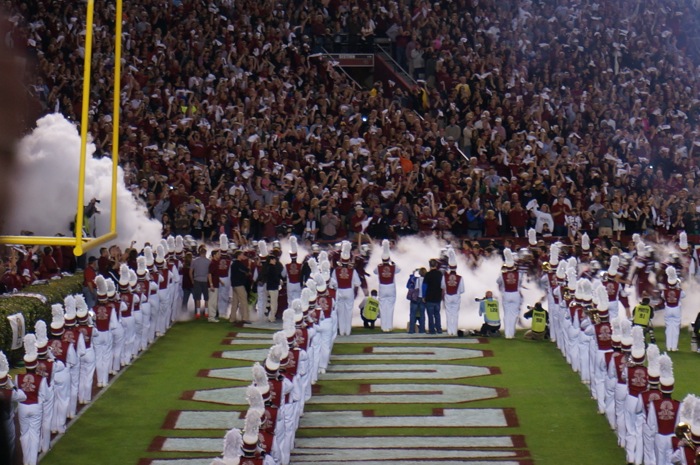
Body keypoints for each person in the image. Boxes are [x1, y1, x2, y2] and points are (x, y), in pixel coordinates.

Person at [374, 240, 400, 332]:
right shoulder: (393, 266)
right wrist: (391, 262)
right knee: (390, 307)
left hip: (382, 287)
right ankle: (389, 326)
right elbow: (399, 270)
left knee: (382, 307)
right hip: (391, 287)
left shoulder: (379, 267)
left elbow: (374, 272)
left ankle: (383, 326)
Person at [497, 248, 523, 339]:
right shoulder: (519, 274)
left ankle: (507, 333)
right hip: (515, 293)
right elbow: (520, 283)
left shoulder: (502, 275)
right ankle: (511, 333)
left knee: (507, 314)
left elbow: (498, 282)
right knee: (514, 314)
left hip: (506, 294)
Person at [660, 266, 684, 352]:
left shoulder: (665, 290)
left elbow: (662, 296)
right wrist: (679, 287)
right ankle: (674, 347)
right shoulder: (679, 290)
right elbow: (684, 296)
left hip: (668, 309)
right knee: (676, 328)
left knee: (668, 328)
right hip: (676, 308)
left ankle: (668, 346)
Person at [442, 249, 464, 336]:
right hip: (456, 296)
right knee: (455, 314)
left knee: (448, 313)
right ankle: (454, 331)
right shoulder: (460, 277)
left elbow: (443, 286)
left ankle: (449, 331)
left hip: (448, 295)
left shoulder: (445, 277)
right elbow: (462, 290)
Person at [229, 250, 251, 324]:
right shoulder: (238, 264)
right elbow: (247, 270)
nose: (243, 256)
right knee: (244, 301)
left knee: (235, 302)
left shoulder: (233, 264)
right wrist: (249, 265)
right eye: (242, 255)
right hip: (239, 285)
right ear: (238, 255)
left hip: (234, 285)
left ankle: (232, 318)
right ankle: (245, 318)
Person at [423, 259, 443, 334]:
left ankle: (432, 330)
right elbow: (442, 285)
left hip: (429, 297)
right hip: (437, 297)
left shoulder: (428, 274)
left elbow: (424, 286)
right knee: (437, 314)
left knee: (430, 315)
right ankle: (439, 329)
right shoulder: (440, 274)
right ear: (436, 265)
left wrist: (424, 296)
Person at [191, 245, 210, 319]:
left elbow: (190, 271)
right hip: (205, 281)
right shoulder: (208, 262)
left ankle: (198, 313)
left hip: (197, 280)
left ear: (199, 252)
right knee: (206, 298)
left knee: (198, 298)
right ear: (205, 253)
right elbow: (209, 273)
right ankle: (206, 313)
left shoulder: (195, 261)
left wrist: (192, 280)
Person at [406, 268, 426, 334]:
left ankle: (411, 330)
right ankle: (422, 330)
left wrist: (413, 274)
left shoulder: (415, 279)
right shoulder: (427, 280)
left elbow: (409, 286)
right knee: (422, 315)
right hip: (422, 298)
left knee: (412, 314)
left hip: (415, 298)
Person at [207, 249, 222, 323]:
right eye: (218, 254)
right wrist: (211, 284)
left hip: (215, 284)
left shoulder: (216, 263)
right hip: (213, 285)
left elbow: (215, 274)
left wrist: (220, 281)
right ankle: (211, 317)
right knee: (212, 301)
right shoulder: (213, 263)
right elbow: (209, 274)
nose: (220, 255)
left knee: (214, 301)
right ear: (214, 255)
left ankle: (212, 316)